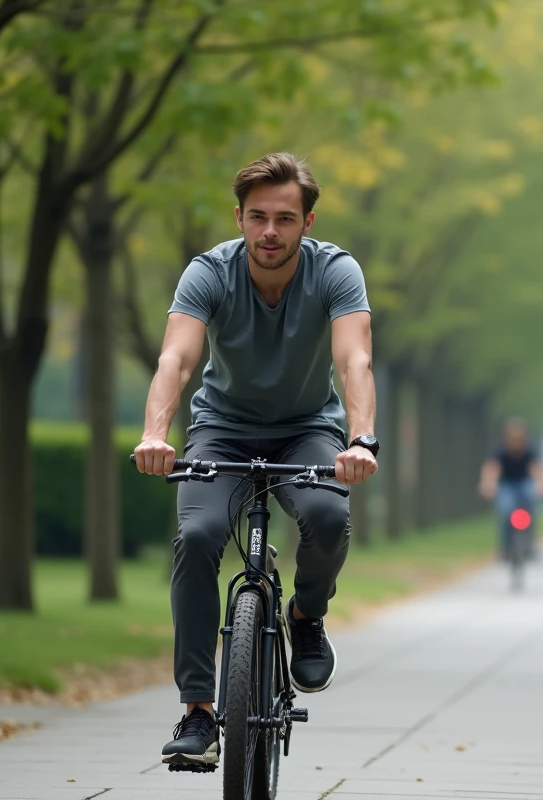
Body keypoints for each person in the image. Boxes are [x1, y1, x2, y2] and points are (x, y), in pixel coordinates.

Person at [133, 152, 380, 769]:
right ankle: (198, 711)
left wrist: (361, 439)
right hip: (223, 428)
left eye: (286, 219)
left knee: (327, 517)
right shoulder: (208, 273)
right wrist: (155, 433)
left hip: (307, 429)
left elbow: (354, 360)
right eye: (259, 217)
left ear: (307, 222)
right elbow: (176, 361)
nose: (271, 232)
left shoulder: (336, 272)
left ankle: (306, 613)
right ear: (240, 217)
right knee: (198, 534)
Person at [479, 418, 543, 559]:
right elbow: (492, 469)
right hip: (507, 485)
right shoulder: (500, 450)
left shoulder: (530, 450)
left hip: (524, 483)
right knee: (505, 510)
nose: (515, 440)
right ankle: (504, 548)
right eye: (512, 437)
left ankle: (530, 543)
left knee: (531, 500)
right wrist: (487, 483)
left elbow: (536, 470)